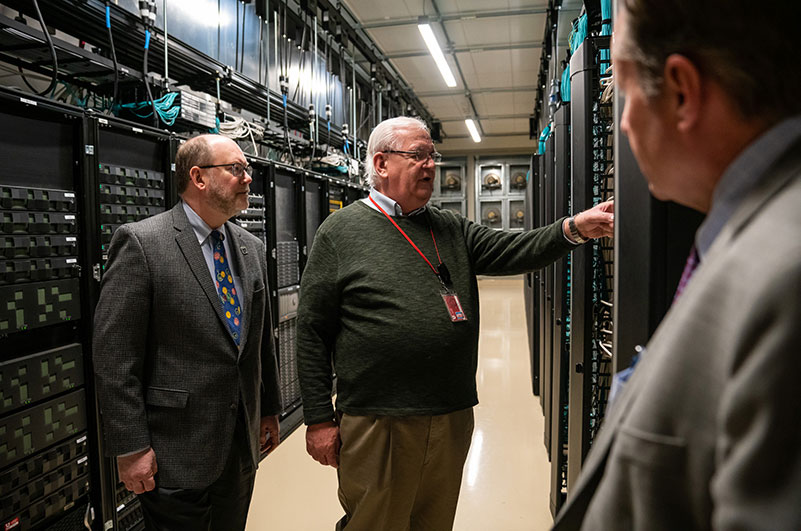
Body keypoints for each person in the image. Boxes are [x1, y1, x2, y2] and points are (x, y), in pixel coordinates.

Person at [297, 116, 614, 530]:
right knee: (376, 521)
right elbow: (311, 330)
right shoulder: (340, 232)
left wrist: (574, 228)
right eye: (417, 156)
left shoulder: (447, 226)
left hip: (450, 412)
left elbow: (513, 249)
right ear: (381, 164)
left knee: (435, 520)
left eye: (432, 156)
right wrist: (319, 419)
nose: (430, 165)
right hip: (380, 416)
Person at [553, 1, 801, 530]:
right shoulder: (749, 236)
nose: (622, 121)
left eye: (623, 89)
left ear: (682, 92)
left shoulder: (783, 280)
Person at [93, 134, 282, 530]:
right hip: (174, 450)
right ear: (198, 177)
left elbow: (261, 341)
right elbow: (115, 358)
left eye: (246, 170)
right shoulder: (143, 243)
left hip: (239, 444)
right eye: (236, 169)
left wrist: (268, 408)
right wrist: (130, 447)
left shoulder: (249, 247)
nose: (248, 178)